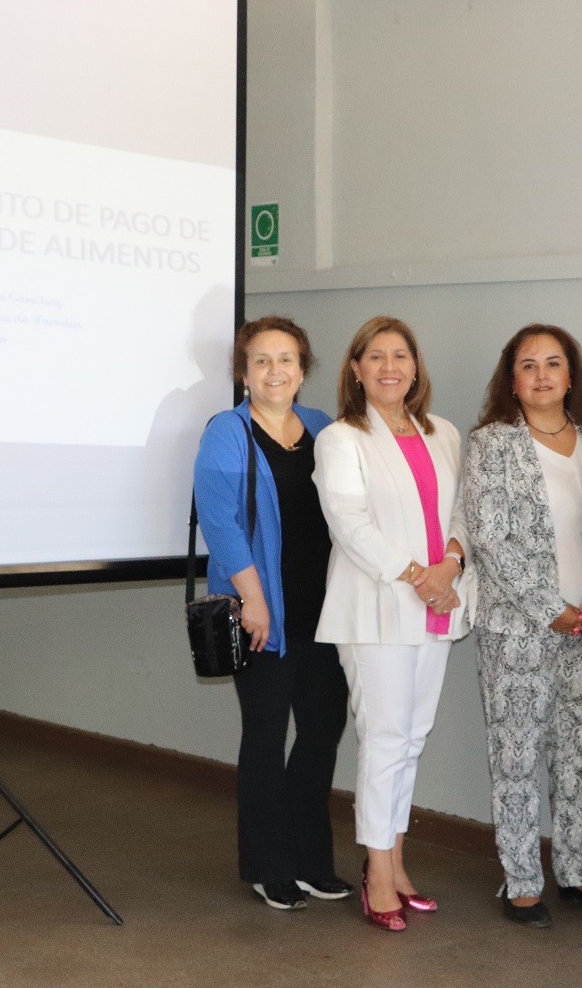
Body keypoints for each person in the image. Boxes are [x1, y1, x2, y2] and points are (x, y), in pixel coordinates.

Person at [463, 324, 582, 930]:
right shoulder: (492, 443)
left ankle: (576, 871)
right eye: (527, 365)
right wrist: (546, 606)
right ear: (511, 380)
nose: (541, 375)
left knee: (579, 753)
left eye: (553, 363)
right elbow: (489, 537)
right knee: (517, 754)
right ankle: (522, 881)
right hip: (518, 626)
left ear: (571, 374)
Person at [313, 315, 470, 933]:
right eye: (375, 356)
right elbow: (349, 523)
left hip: (437, 603)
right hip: (377, 606)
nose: (389, 366)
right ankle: (377, 874)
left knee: (411, 739)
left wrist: (450, 564)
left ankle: (397, 863)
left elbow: (462, 512)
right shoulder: (341, 439)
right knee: (383, 739)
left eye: (400, 355)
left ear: (415, 366)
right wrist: (418, 575)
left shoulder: (443, 432)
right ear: (356, 369)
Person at [192, 316, 352, 911]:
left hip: (325, 611)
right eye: (261, 360)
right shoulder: (227, 432)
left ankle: (312, 861)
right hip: (262, 611)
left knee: (321, 731)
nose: (274, 371)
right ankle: (269, 866)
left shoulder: (323, 427)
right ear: (244, 372)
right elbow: (221, 522)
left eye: (286, 359)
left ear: (303, 369)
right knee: (265, 734)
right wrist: (254, 600)